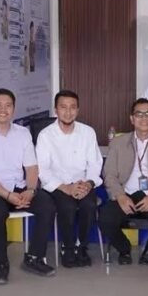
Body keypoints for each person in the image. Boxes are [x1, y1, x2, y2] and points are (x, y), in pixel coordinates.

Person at [0, 88, 56, 284]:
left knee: (47, 205)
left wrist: (30, 190)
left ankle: (34, 257)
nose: (3, 110)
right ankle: (1, 264)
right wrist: (7, 196)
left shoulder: (22, 133)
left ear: (13, 109)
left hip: (18, 187)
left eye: (8, 105)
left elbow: (32, 167)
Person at [99, 98, 148, 265]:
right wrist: (120, 196)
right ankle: (124, 249)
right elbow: (109, 174)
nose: (143, 118)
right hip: (126, 193)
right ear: (132, 118)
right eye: (139, 114)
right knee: (105, 219)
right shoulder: (118, 143)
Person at [36, 90, 104, 267]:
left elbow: (95, 163)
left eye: (72, 107)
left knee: (89, 205)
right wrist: (65, 187)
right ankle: (67, 246)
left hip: (83, 183)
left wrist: (88, 184)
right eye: (63, 107)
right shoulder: (45, 135)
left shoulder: (87, 132)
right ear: (56, 110)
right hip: (58, 185)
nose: (68, 112)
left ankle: (82, 246)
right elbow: (42, 169)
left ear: (78, 110)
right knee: (67, 206)